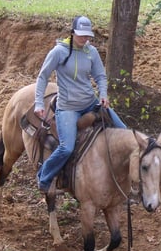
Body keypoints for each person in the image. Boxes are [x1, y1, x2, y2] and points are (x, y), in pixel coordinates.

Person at [34, 15, 127, 193]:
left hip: (90, 102)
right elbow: (43, 77)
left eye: (88, 36)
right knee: (66, 148)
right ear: (73, 32)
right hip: (68, 107)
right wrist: (39, 103)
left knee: (125, 131)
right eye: (82, 35)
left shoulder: (91, 52)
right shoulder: (59, 52)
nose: (85, 39)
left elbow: (100, 76)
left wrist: (104, 95)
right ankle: (44, 177)